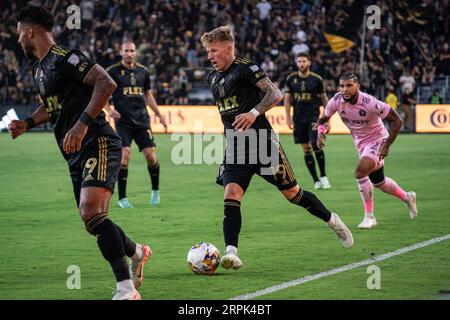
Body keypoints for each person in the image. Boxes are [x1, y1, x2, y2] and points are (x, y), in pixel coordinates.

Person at [10, 5, 151, 299]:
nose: (18, 39)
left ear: (30, 31)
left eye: (19, 33)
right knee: (92, 222)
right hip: (75, 152)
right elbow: (53, 107)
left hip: (98, 140)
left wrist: (82, 124)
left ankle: (126, 289)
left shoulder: (66, 58)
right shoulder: (38, 68)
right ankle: (137, 252)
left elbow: (106, 82)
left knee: (91, 212)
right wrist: (28, 122)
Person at [201, 26, 353, 271]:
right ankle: (231, 253)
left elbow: (275, 93)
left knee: (293, 194)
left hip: (263, 143)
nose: (209, 56)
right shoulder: (212, 77)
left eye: (213, 51)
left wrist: (253, 113)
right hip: (237, 147)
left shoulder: (246, 67)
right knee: (231, 194)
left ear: (229, 48)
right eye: (208, 52)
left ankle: (332, 220)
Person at [317, 72, 418, 229]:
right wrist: (321, 133)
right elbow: (323, 118)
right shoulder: (336, 100)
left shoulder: (370, 102)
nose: (344, 89)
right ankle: (407, 197)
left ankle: (369, 217)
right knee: (379, 182)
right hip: (361, 144)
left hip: (378, 140)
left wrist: (387, 145)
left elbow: (397, 120)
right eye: (342, 85)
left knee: (360, 172)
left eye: (349, 85)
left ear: (358, 86)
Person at [105, 42, 167, 208]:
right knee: (124, 155)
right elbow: (102, 93)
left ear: (135, 53)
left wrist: (159, 115)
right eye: (126, 50)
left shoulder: (143, 71)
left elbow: (148, 94)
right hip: (123, 122)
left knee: (151, 157)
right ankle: (122, 198)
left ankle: (155, 191)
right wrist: (109, 110)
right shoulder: (112, 71)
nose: (130, 53)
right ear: (121, 52)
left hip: (142, 121)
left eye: (132, 50)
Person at [284, 52, 331, 190]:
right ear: (297, 63)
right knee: (306, 149)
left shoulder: (316, 79)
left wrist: (327, 118)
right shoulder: (291, 79)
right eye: (299, 61)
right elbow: (287, 99)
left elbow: (324, 98)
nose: (301, 64)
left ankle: (323, 176)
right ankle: (316, 180)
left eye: (304, 61)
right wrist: (288, 118)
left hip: (313, 118)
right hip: (298, 119)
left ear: (309, 62)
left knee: (315, 145)